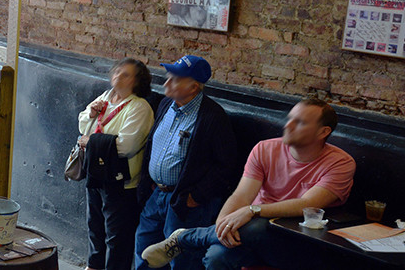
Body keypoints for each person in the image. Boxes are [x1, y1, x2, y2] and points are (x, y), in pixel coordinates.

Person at [141, 98, 355, 269]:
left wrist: (253, 211)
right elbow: (241, 196)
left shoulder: (341, 162)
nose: (287, 126)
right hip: (247, 230)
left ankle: (187, 237)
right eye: (289, 118)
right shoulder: (265, 149)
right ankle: (203, 235)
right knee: (217, 256)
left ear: (323, 132)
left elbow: (307, 204)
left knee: (260, 225)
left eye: (300, 122)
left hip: (296, 241)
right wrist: (224, 225)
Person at [134, 55, 239, 270]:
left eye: (174, 79)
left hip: (186, 202)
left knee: (182, 260)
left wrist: (196, 196)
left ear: (193, 87)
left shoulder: (212, 117)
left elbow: (226, 166)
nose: (166, 83)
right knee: (144, 250)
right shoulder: (165, 105)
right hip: (158, 195)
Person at [76, 58, 155, 270]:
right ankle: (94, 266)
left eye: (126, 74)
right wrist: (91, 113)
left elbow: (126, 146)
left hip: (120, 182)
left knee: (117, 237)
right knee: (95, 227)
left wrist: (90, 142)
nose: (118, 76)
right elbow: (83, 123)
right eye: (118, 71)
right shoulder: (105, 97)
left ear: (137, 82)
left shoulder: (140, 108)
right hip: (96, 174)